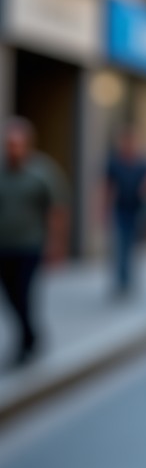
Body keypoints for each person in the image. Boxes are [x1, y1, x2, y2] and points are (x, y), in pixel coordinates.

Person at [0, 117, 68, 367]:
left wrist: (55, 244)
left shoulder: (42, 172)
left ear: (27, 144)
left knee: (24, 294)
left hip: (30, 245)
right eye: (9, 144)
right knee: (10, 296)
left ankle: (23, 345)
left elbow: (57, 210)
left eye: (18, 144)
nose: (13, 149)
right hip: (4, 246)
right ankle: (32, 336)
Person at [103, 124, 146, 297]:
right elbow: (107, 187)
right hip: (120, 209)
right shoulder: (114, 162)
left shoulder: (143, 163)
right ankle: (121, 281)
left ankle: (129, 278)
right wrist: (103, 210)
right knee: (120, 246)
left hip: (138, 210)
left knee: (132, 246)